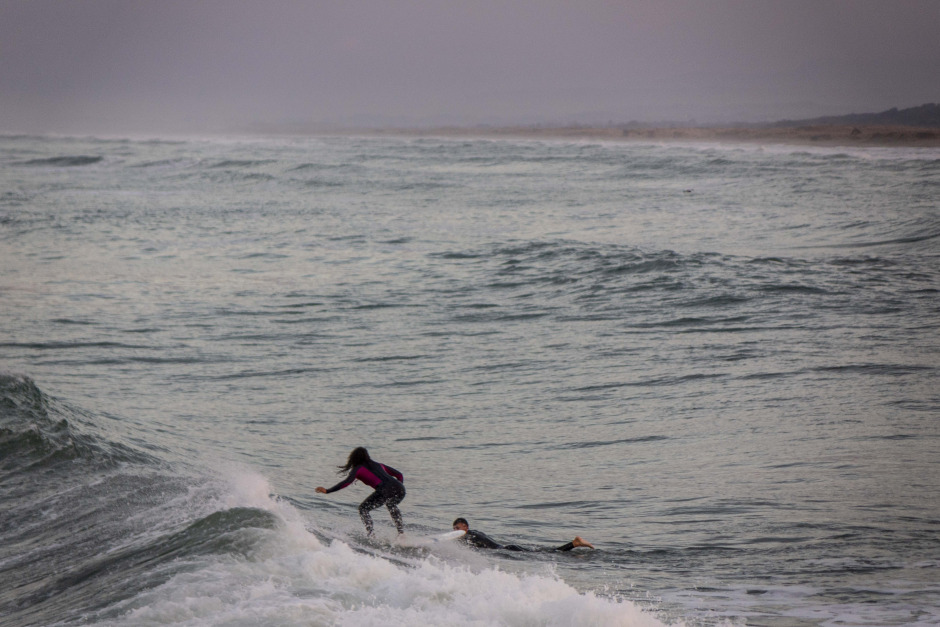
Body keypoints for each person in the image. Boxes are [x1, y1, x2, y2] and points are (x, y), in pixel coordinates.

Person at [316, 447, 406, 536]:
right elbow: (399, 475)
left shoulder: (358, 469)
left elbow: (346, 482)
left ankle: (371, 535)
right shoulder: (379, 465)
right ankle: (401, 534)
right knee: (391, 505)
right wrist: (396, 487)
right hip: (400, 489)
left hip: (385, 489)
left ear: (353, 458)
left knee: (363, 509)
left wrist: (328, 491)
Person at [452, 517, 594, 552]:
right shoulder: (475, 532)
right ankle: (574, 543)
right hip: (508, 548)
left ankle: (574, 543)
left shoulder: (470, 536)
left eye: (457, 528)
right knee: (542, 552)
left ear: (465, 527)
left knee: (547, 554)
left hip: (508, 550)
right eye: (454, 529)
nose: (455, 531)